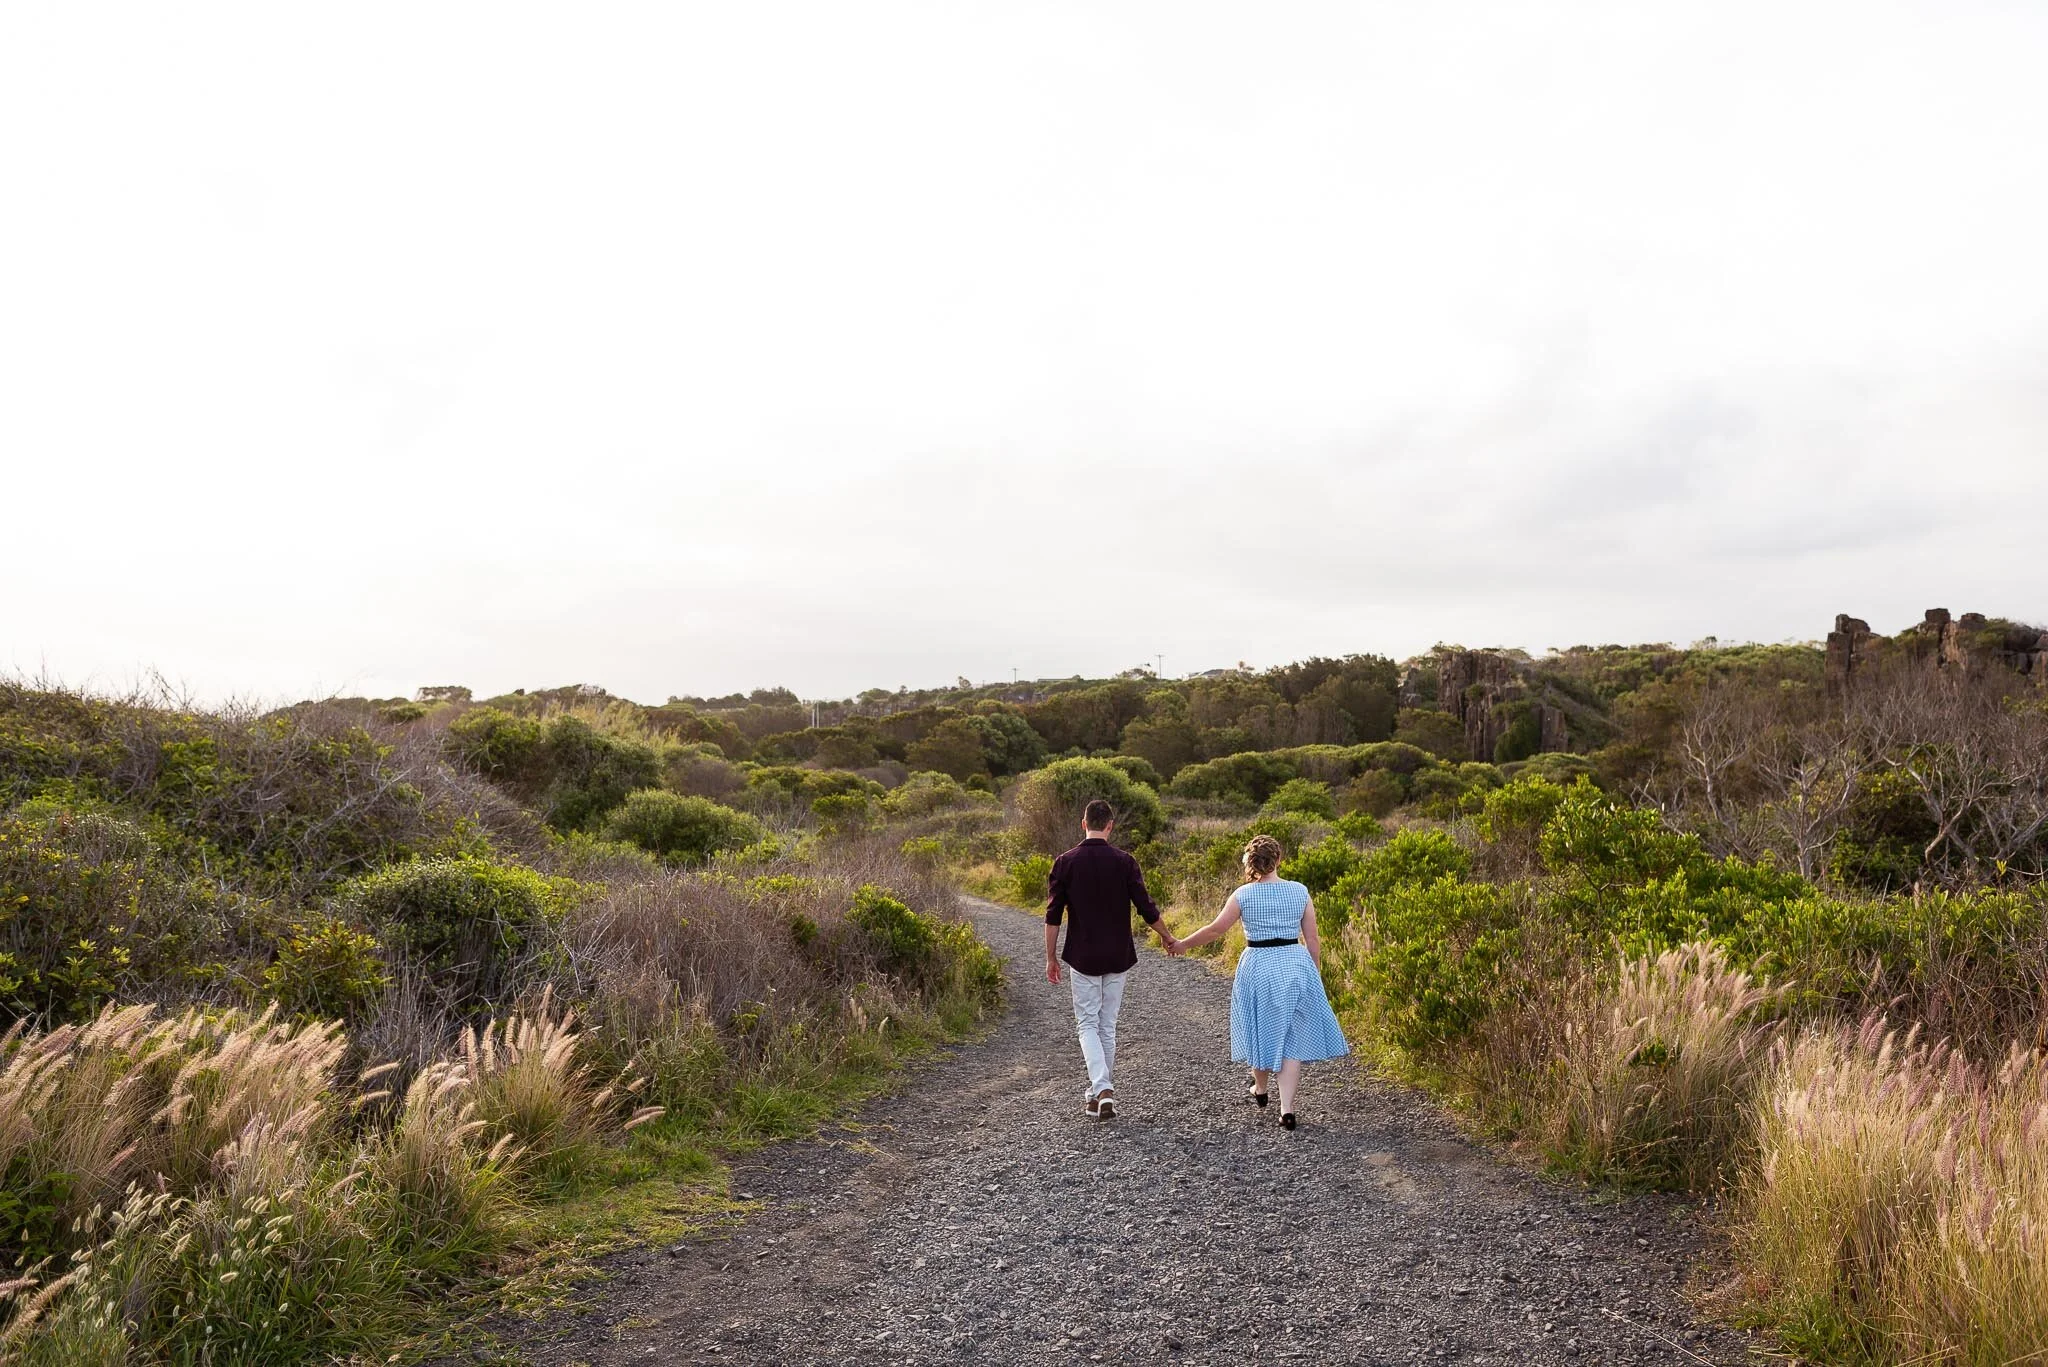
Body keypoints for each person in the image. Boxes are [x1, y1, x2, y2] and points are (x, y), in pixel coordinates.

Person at [1175, 833, 1349, 1129]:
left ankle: (1261, 1088)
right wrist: (1314, 971)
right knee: (1291, 1036)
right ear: (1279, 859)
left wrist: (1182, 944)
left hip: (1259, 965)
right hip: (1296, 965)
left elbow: (1216, 930)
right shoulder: (1299, 891)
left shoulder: (1243, 895)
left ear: (1251, 862)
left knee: (1260, 1026)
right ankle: (1287, 1109)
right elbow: (1313, 938)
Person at [1045, 798, 1179, 1119]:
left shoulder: (1065, 862)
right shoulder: (1125, 862)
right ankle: (1098, 1094)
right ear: (1110, 825)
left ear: (1084, 824)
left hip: (1082, 956)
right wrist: (1166, 935)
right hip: (1118, 955)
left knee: (1087, 1024)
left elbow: (1053, 916)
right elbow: (1147, 909)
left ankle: (1102, 1089)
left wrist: (1050, 957)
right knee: (1107, 1026)